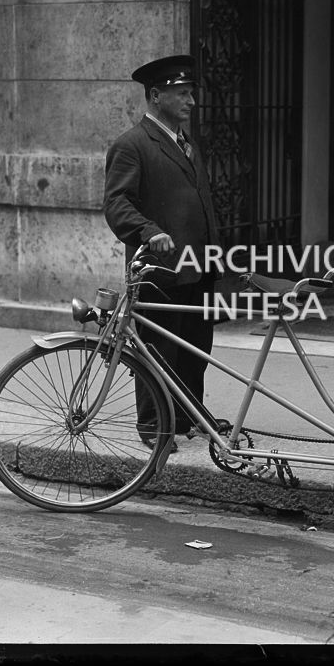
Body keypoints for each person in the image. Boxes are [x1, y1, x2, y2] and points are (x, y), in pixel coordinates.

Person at [103, 55, 221, 450]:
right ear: (156, 96)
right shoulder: (132, 145)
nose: (190, 101)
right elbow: (118, 204)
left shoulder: (187, 144)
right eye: (182, 93)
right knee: (157, 349)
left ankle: (189, 415)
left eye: (191, 93)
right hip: (158, 270)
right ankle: (155, 426)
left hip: (196, 267)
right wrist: (148, 231)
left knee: (195, 345)